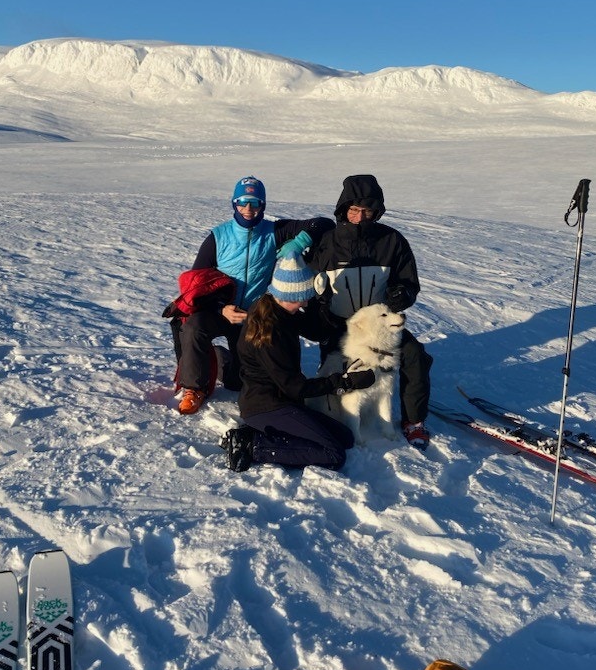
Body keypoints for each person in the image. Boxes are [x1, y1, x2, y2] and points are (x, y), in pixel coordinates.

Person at [170, 176, 334, 414]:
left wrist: (299, 243)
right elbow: (193, 285)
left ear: (263, 205)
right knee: (195, 326)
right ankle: (193, 388)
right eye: (242, 202)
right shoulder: (218, 237)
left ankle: (218, 357)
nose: (248, 209)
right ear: (234, 203)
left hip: (252, 315)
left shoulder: (273, 231)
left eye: (255, 203)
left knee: (237, 382)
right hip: (218, 310)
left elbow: (324, 224)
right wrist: (220, 308)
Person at [308, 174, 433, 448]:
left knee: (415, 355)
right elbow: (311, 282)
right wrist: (321, 304)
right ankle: (330, 415)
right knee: (339, 369)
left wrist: (402, 295)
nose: (360, 216)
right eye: (354, 210)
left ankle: (414, 420)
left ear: (376, 211)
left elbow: (409, 282)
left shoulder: (392, 241)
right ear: (344, 209)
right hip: (339, 324)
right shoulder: (328, 243)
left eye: (367, 210)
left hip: (380, 326)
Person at [221, 253, 375, 472]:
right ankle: (252, 443)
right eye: (304, 297)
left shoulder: (276, 308)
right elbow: (297, 387)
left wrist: (323, 302)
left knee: (345, 437)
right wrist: (344, 382)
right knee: (333, 454)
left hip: (285, 401)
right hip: (266, 406)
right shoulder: (271, 333)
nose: (305, 301)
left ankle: (269, 435)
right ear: (291, 295)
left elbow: (316, 331)